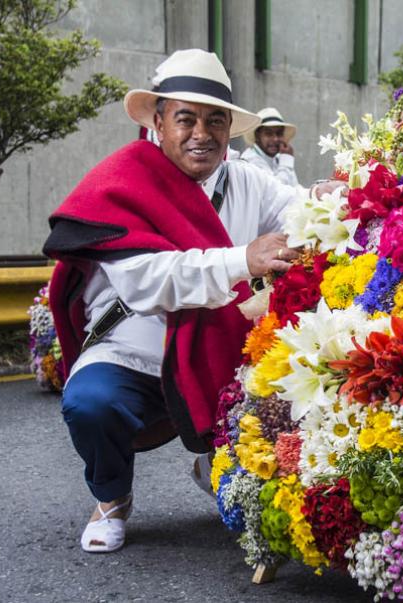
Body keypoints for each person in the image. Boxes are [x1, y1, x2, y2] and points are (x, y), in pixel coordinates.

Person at [42, 49, 337, 554]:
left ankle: (215, 460)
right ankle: (112, 499)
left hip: (219, 353)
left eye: (215, 120)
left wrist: (330, 199)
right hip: (132, 351)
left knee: (306, 381)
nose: (201, 132)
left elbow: (297, 210)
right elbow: (146, 282)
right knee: (90, 404)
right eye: (186, 118)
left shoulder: (247, 180)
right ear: (158, 123)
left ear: (229, 129)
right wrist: (242, 259)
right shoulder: (123, 182)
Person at [239, 107, 299, 186]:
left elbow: (296, 188)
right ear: (257, 136)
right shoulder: (249, 161)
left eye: (279, 133)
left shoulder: (279, 158)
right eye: (268, 134)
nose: (275, 139)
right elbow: (277, 191)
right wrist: (286, 161)